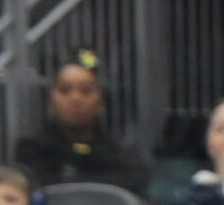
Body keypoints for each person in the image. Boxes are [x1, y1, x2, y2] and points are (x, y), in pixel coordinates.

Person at [11, 53, 148, 194]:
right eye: (64, 90)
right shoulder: (30, 151)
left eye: (86, 90)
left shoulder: (120, 154)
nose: (76, 99)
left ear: (101, 102)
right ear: (51, 103)